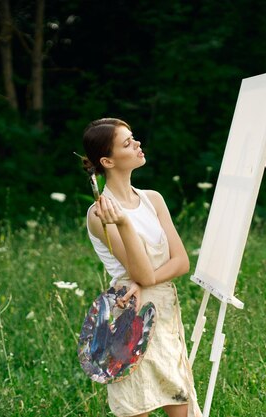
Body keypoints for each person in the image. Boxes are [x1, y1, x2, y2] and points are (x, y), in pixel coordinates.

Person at [81, 118, 202, 417]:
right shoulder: (100, 215)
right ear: (107, 161)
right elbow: (143, 272)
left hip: (164, 312)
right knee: (136, 404)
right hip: (130, 319)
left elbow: (181, 262)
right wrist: (122, 222)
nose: (137, 144)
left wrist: (144, 281)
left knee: (180, 402)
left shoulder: (153, 199)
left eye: (133, 138)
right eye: (127, 143)